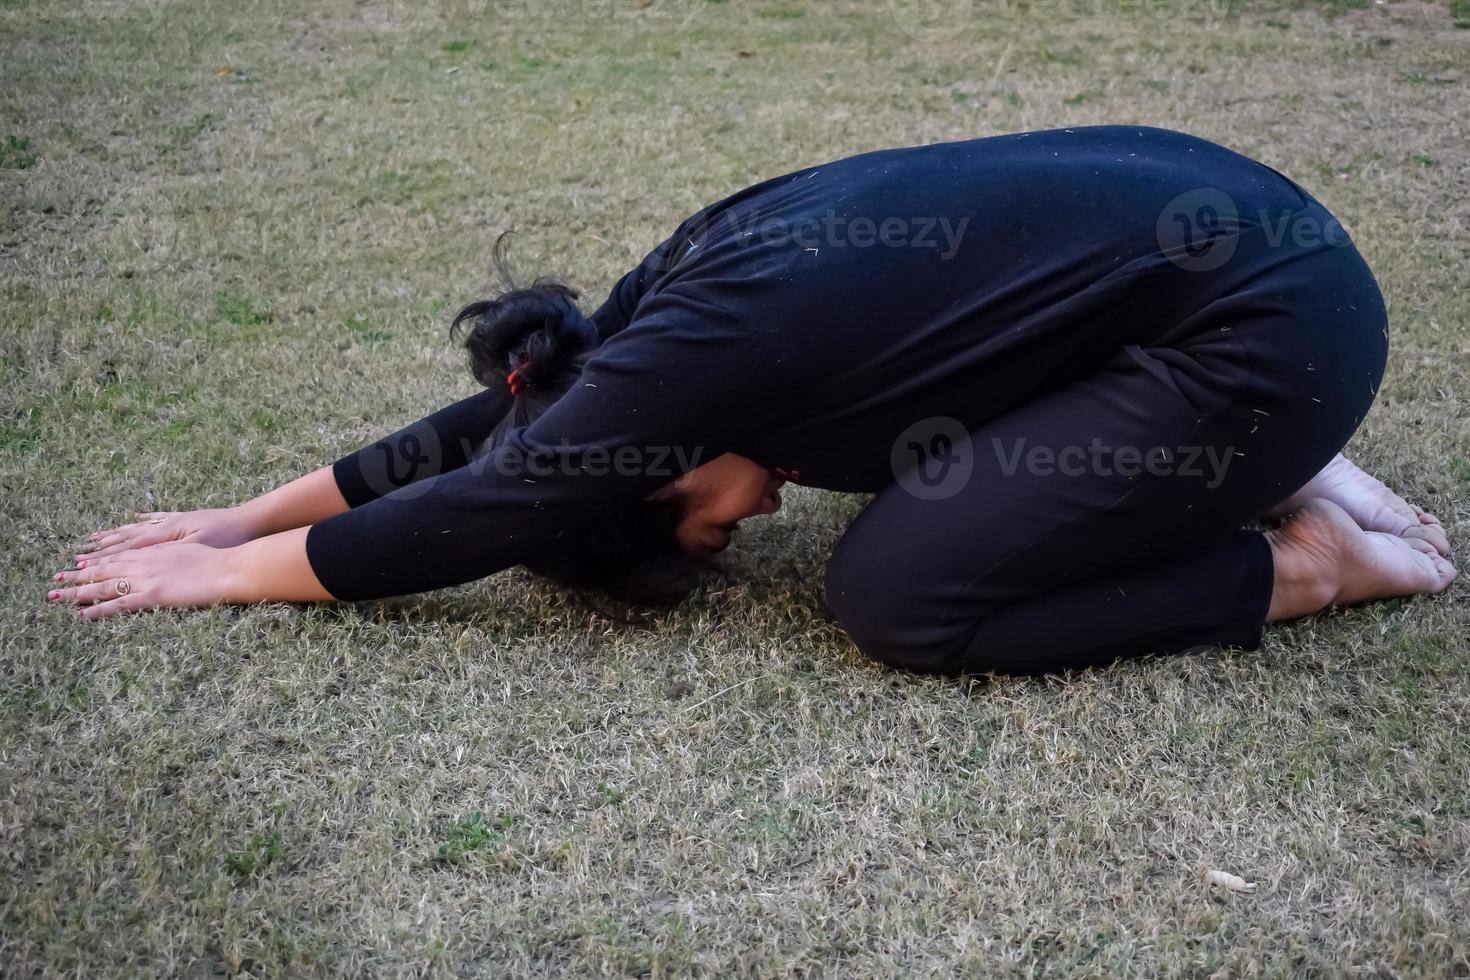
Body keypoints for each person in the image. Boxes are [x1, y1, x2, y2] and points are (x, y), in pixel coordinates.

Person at [50, 126, 1455, 676]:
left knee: (903, 592)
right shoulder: (644, 340)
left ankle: (1306, 551)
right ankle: (1288, 470)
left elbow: (486, 498)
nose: (759, 508)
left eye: (710, 528)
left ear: (643, 469)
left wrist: (222, 579)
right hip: (1246, 254)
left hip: (1265, 330)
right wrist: (236, 517)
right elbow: (495, 434)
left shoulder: (692, 369)